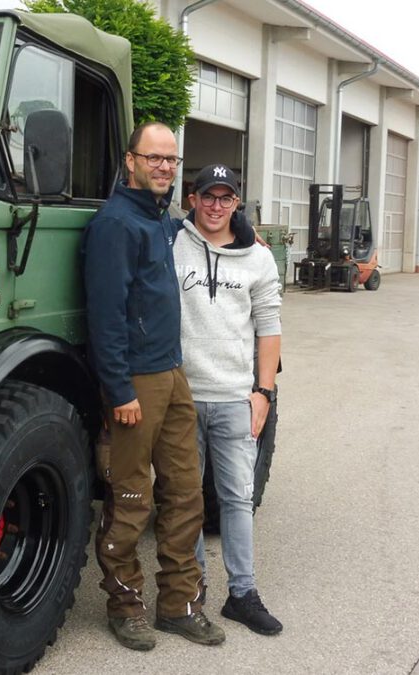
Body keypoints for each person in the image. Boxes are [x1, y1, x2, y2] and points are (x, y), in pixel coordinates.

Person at [83, 121, 225, 651]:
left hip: (172, 372)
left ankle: (179, 606)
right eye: (155, 157)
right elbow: (106, 315)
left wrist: (242, 226)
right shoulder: (117, 225)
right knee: (131, 497)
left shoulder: (157, 221)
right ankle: (125, 606)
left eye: (171, 158)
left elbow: (204, 228)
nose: (165, 166)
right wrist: (119, 391)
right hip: (136, 381)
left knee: (186, 494)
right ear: (131, 161)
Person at [172, 163, 283, 636]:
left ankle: (243, 594)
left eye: (226, 198)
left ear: (237, 203)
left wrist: (264, 392)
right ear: (192, 199)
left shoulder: (258, 258)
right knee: (186, 499)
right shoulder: (171, 242)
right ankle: (192, 592)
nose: (216, 205)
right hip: (182, 398)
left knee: (237, 498)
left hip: (236, 398)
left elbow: (269, 326)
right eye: (207, 196)